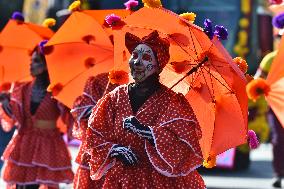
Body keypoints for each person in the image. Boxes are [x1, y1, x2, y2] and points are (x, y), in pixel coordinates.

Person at [78, 31, 205, 188]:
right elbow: (95, 136)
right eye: (135, 55)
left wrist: (145, 131)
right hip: (122, 179)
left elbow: (183, 144)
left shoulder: (172, 101)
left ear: (158, 65)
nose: (137, 62)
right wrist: (115, 150)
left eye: (146, 58)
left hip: (160, 180)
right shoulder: (114, 97)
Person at [0, 45, 74, 189]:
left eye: (36, 61)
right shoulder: (22, 88)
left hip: (48, 143)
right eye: (31, 61)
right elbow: (15, 117)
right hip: (24, 141)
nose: (31, 64)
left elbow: (70, 118)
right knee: (21, 184)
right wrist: (5, 102)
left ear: (47, 66)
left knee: (38, 185)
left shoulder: (57, 92)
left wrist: (73, 106)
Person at [71, 73, 118, 189]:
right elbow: (81, 109)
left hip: (120, 152)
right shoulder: (99, 81)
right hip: (94, 147)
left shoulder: (142, 84)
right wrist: (99, 110)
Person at [255, 50, 284, 188]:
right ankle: (278, 174)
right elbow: (258, 80)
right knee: (278, 140)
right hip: (276, 107)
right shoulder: (271, 59)